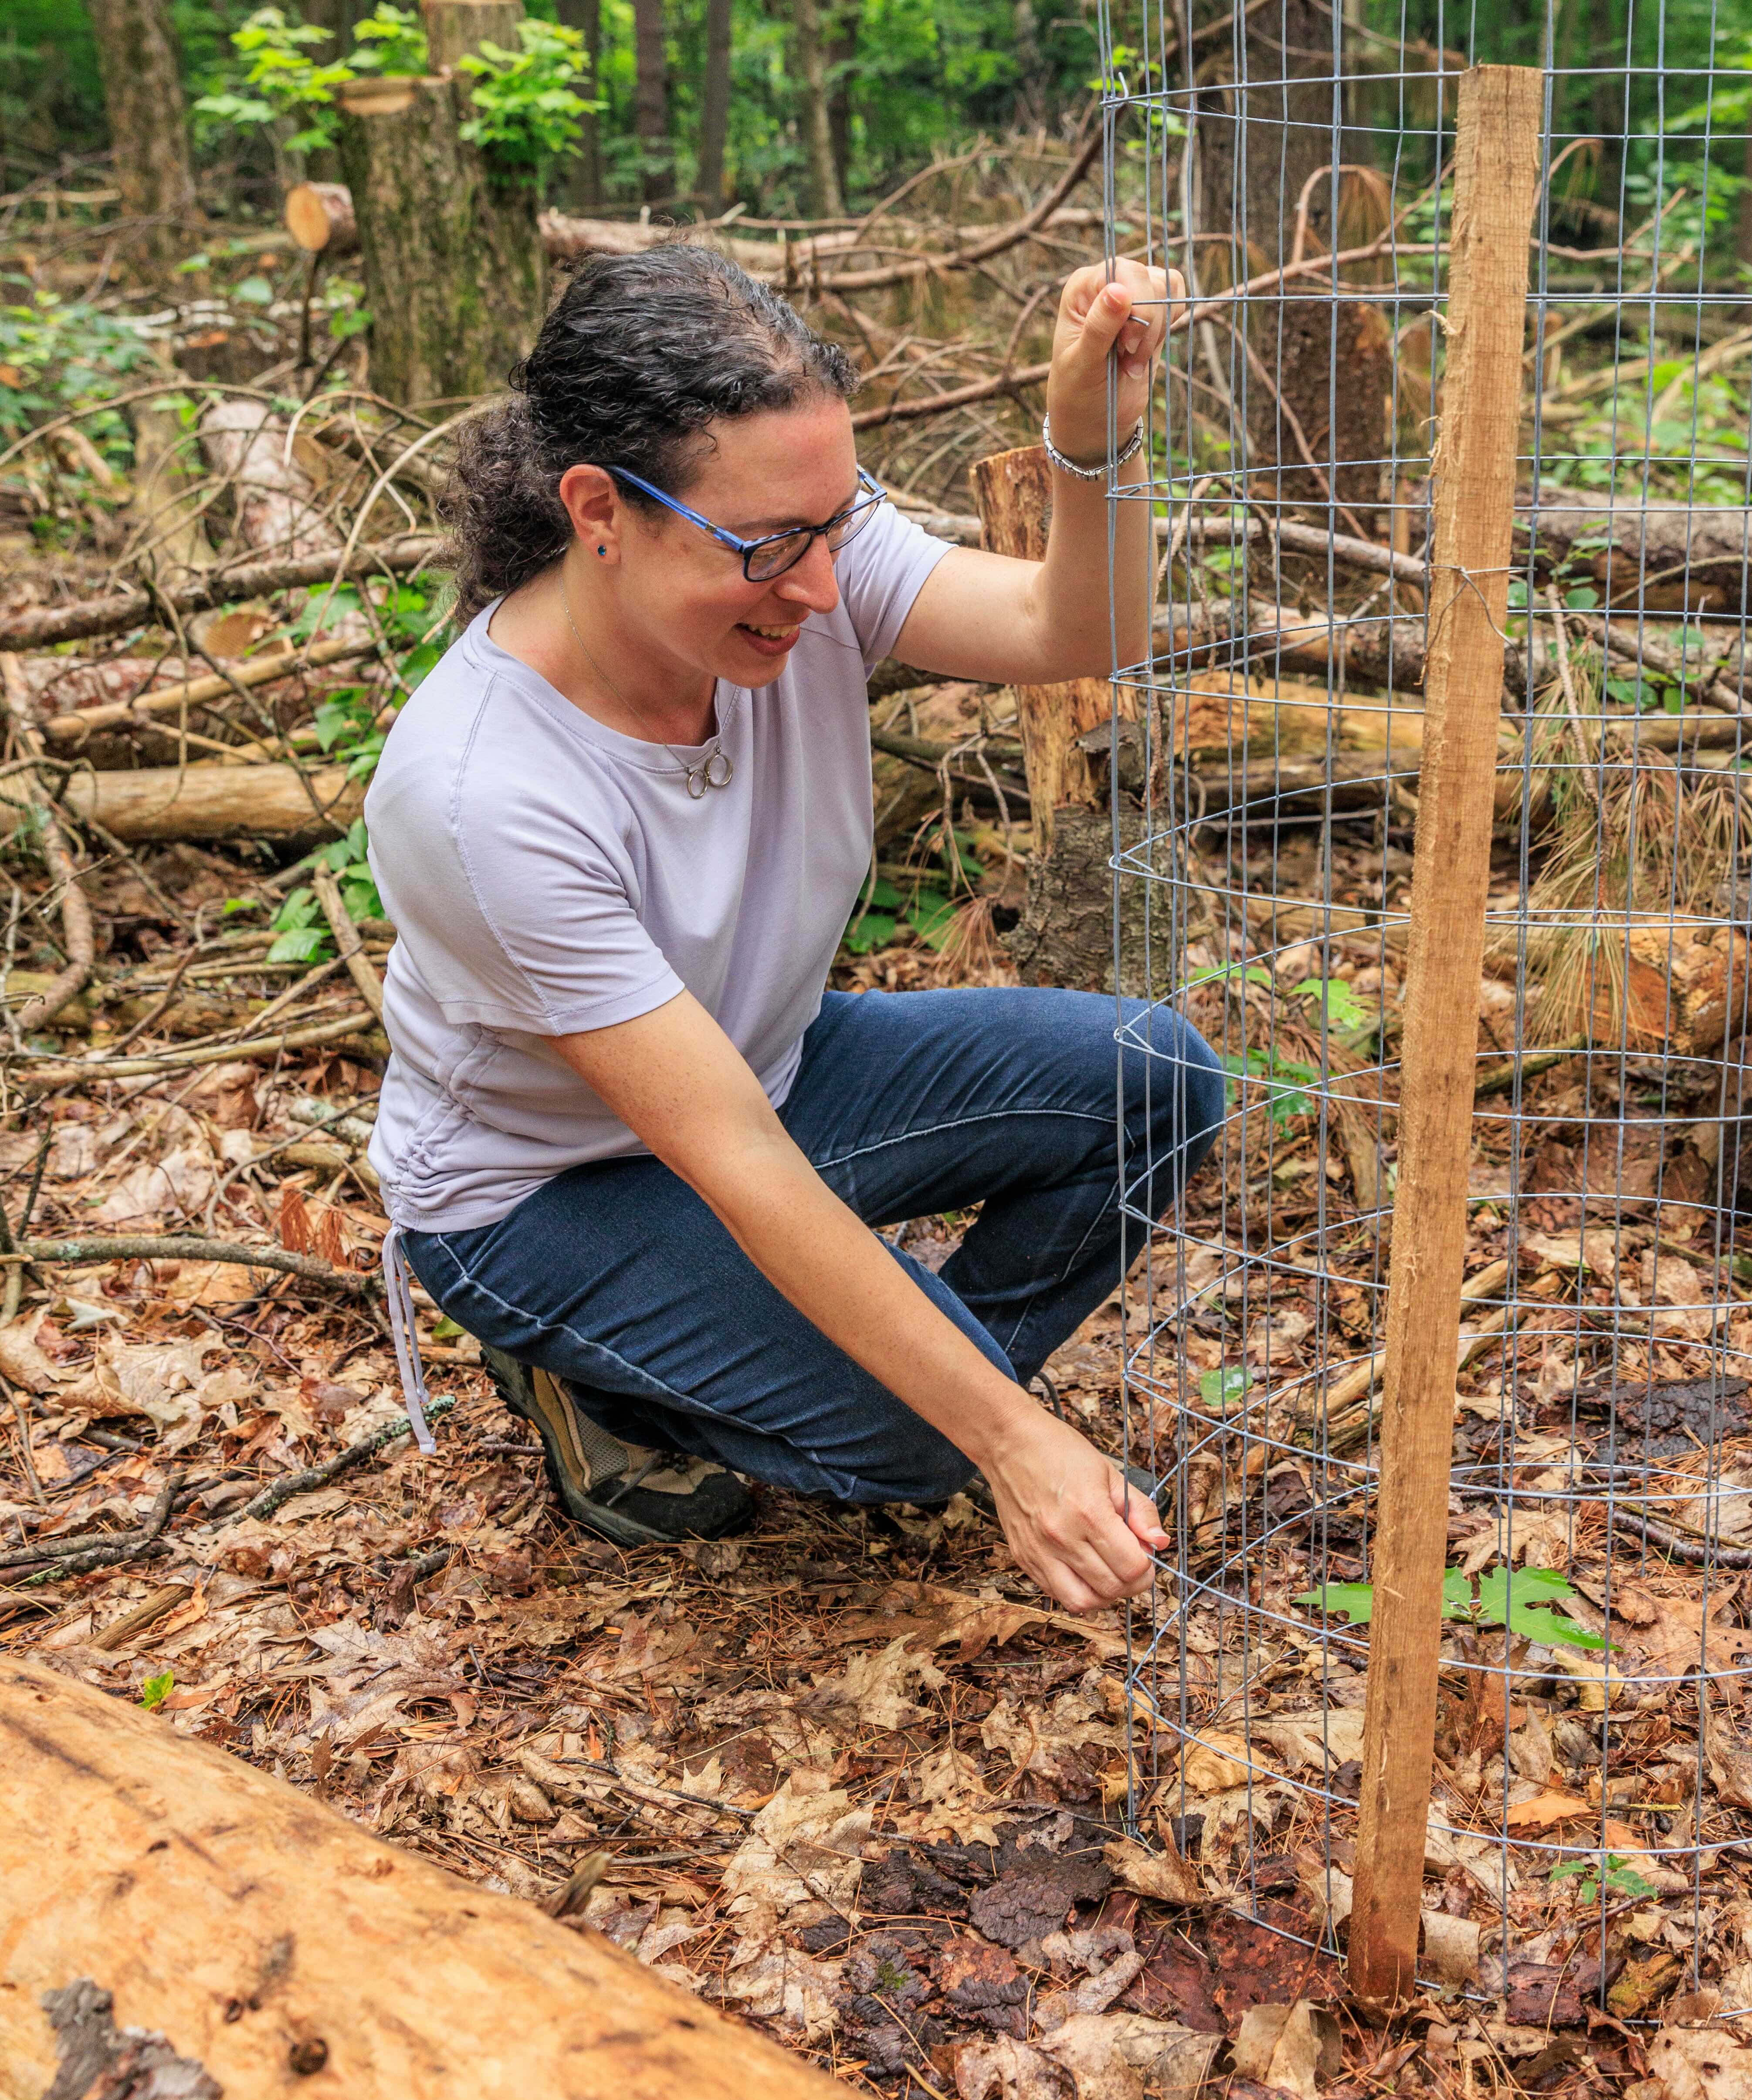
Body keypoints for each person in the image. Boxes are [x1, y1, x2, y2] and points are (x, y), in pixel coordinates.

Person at [364, 240, 1224, 1615]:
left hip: (769, 1069)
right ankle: (601, 1370)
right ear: (599, 509)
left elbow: (1081, 628)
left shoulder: (789, 551)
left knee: (1153, 1074)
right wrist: (1010, 1440)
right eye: (771, 546)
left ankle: (862, 1376)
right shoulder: (481, 797)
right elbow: (739, 1164)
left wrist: (1088, 442)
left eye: (837, 524)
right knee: (931, 1440)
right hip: (542, 1192)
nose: (824, 589)